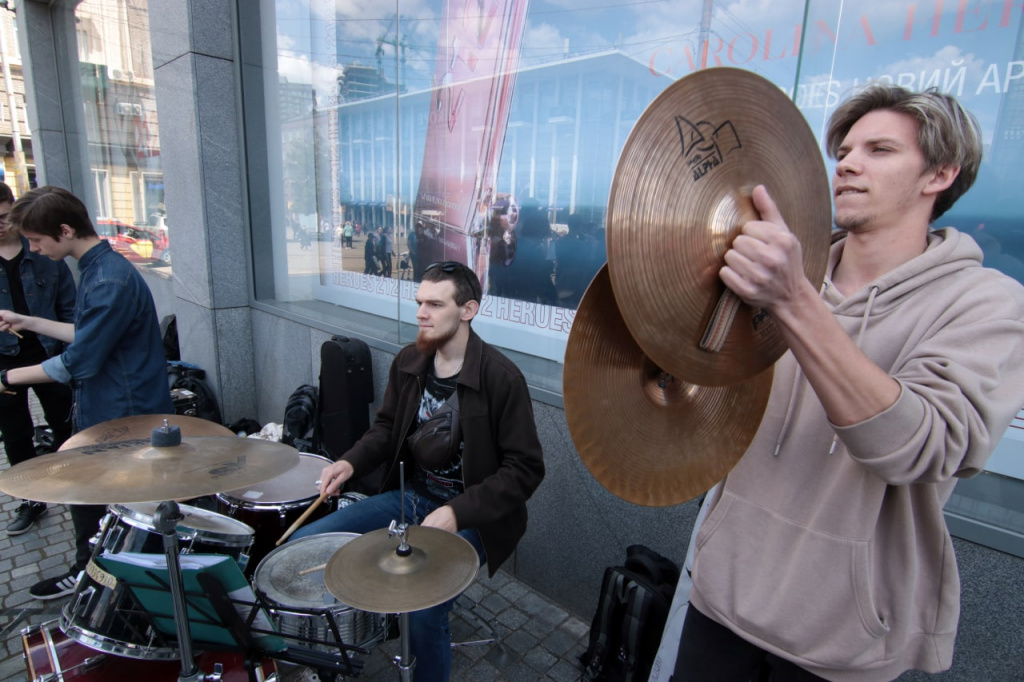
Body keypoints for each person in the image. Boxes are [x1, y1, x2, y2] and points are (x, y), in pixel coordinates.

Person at [673, 85, 1024, 681]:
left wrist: (792, 301)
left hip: (842, 641)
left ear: (940, 173)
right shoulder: (783, 272)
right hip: (720, 598)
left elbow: (926, 445)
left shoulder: (988, 304)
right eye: (845, 150)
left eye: (880, 149)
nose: (848, 164)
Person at [292, 260, 545, 681]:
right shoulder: (411, 360)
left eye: (434, 304)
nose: (420, 313)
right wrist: (349, 461)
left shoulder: (502, 378)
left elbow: (526, 469)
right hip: (411, 497)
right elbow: (387, 428)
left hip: (473, 519)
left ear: (468, 310)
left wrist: (458, 512)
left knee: (424, 612)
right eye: (418, 302)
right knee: (307, 544)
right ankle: (331, 658)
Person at [0, 186, 173, 600]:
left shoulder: (109, 279)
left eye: (38, 240)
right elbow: (88, 336)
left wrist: (8, 379)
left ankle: (103, 581)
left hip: (125, 412)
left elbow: (79, 361)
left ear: (64, 230)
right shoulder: (97, 269)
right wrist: (30, 321)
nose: (35, 249)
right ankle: (93, 573)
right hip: (109, 405)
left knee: (113, 506)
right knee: (94, 501)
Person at [0, 181, 76, 536]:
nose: (0, 226)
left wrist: (68, 354)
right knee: (16, 433)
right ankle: (31, 499)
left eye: (3, 217)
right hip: (4, 359)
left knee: (65, 423)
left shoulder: (45, 254)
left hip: (50, 352)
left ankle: (78, 484)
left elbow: (69, 310)